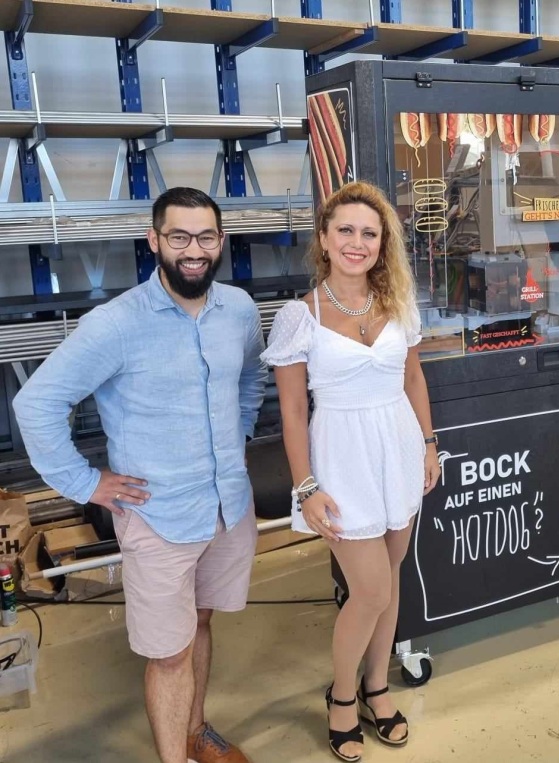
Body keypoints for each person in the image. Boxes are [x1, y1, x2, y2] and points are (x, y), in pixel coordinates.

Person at [13, 188, 266, 763]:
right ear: (154, 240)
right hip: (158, 517)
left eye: (206, 237)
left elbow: (251, 374)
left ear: (221, 241)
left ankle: (195, 731)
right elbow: (36, 404)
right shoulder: (116, 325)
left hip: (228, 505)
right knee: (169, 653)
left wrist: (242, 433)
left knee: (201, 622)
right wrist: (85, 484)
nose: (194, 250)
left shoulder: (239, 310)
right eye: (179, 237)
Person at [262, 181, 440, 762]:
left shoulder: (398, 303)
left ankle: (376, 687)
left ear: (382, 243)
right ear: (324, 238)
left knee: (389, 581)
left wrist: (429, 445)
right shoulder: (300, 316)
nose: (356, 242)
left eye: (369, 232)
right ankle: (342, 697)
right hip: (341, 459)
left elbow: (413, 379)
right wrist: (306, 486)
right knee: (369, 590)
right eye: (345, 230)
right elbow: (293, 411)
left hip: (399, 450)